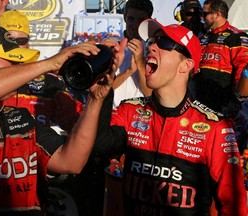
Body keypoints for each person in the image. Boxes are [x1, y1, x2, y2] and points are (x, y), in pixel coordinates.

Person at [93, 18, 247, 215]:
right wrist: (104, 78)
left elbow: (234, 206)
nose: (152, 46)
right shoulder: (130, 112)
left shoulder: (216, 128)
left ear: (186, 65)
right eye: (152, 42)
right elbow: (97, 144)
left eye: (164, 43)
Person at [0, 25, 119, 215]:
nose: (20, 68)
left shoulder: (20, 118)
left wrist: (95, 100)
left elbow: (71, 161)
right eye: (13, 61)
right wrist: (49, 64)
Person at [192, 0, 248, 117]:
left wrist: (237, 100)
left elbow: (243, 67)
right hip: (199, 101)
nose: (202, 18)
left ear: (217, 15)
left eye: (205, 14)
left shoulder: (237, 36)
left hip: (224, 104)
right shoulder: (203, 37)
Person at [112, 0, 153, 108]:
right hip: (113, 114)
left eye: (140, 20)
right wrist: (128, 71)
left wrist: (140, 62)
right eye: (131, 19)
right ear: (125, 18)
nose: (135, 25)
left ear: (148, 21)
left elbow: (150, 93)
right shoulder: (112, 46)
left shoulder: (154, 49)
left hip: (140, 117)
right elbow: (104, 89)